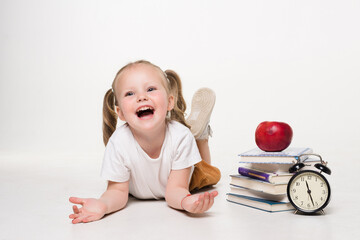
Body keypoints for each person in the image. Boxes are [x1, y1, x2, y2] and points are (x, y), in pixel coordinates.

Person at [69, 60, 221, 224]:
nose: (141, 97)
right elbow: (118, 191)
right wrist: (103, 205)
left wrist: (186, 201)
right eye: (129, 94)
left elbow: (176, 189)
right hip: (170, 164)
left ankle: (201, 137)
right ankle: (197, 133)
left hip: (184, 178)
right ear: (120, 113)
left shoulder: (181, 137)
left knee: (209, 174)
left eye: (150, 89)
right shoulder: (119, 143)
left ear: (170, 101)